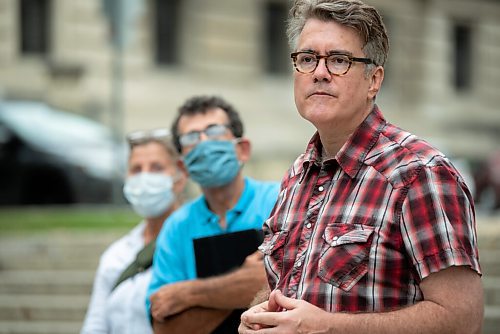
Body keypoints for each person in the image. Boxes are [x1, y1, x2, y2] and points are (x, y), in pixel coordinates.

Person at [239, 0, 483, 333]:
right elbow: (294, 287)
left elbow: (462, 319)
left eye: (339, 60)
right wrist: (260, 317)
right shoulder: (297, 176)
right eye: (307, 59)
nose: (319, 72)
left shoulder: (419, 173)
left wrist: (326, 327)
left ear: (374, 80)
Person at [146, 95, 280, 334]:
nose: (204, 143)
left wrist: (186, 294)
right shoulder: (177, 227)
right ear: (183, 166)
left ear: (242, 149)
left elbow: (293, 295)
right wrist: (240, 285)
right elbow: (165, 327)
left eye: (215, 131)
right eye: (191, 138)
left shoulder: (281, 201)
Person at [81, 129, 186, 334]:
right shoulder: (117, 254)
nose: (145, 177)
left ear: (180, 177)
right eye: (136, 169)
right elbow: (95, 325)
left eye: (157, 168)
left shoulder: (194, 241)